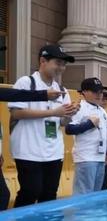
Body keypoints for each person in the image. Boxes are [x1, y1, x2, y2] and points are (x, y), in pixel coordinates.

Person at [8, 44, 78, 207]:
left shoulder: (62, 90)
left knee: (49, 194)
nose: (61, 68)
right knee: (30, 191)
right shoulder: (26, 83)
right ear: (43, 61)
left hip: (53, 151)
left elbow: (62, 122)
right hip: (28, 151)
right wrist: (53, 112)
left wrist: (69, 113)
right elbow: (16, 113)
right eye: (58, 63)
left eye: (63, 64)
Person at [0, 86, 64, 210]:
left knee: (3, 196)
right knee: (15, 193)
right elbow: (15, 95)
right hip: (28, 155)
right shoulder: (26, 82)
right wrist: (44, 95)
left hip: (51, 155)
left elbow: (16, 94)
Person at [65, 78, 107, 195]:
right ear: (84, 92)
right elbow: (69, 129)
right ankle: (81, 214)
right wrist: (89, 124)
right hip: (86, 157)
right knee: (84, 193)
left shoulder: (102, 111)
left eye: (101, 92)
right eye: (95, 91)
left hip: (100, 158)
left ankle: (93, 214)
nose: (99, 95)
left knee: (96, 194)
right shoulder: (79, 108)